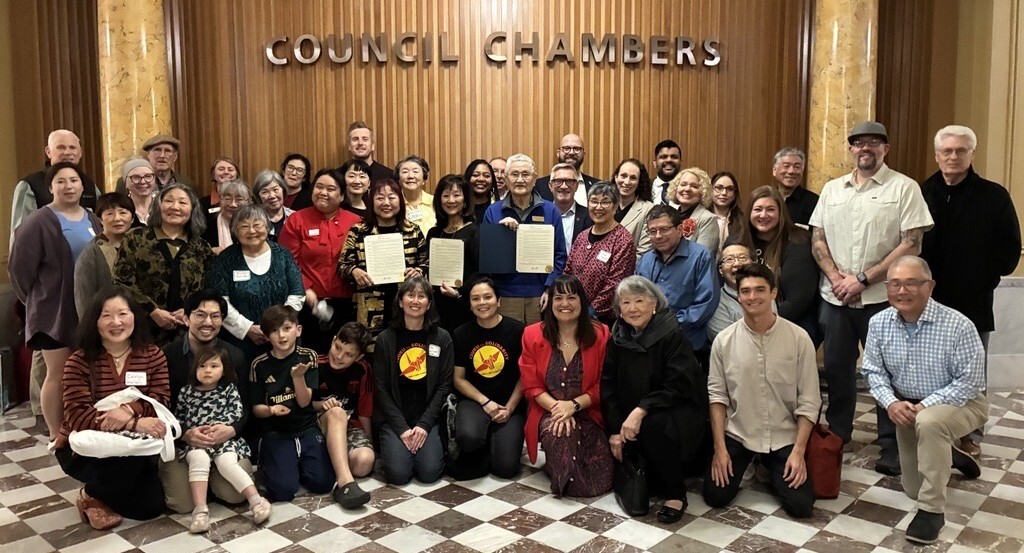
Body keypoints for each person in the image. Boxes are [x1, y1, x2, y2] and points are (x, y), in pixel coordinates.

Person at [809, 121, 934, 476]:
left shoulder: (904, 188)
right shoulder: (833, 189)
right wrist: (837, 278)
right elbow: (818, 238)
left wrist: (863, 279)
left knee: (888, 371)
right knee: (837, 370)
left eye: (874, 142)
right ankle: (838, 434)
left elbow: (912, 242)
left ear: (885, 148)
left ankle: (892, 443)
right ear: (850, 149)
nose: (866, 148)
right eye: (858, 142)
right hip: (835, 298)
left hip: (883, 297)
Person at [861, 256, 988, 544]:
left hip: (964, 403)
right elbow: (873, 371)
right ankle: (950, 455)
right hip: (908, 407)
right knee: (912, 489)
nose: (902, 291)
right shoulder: (879, 323)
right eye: (895, 284)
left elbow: (970, 382)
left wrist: (925, 406)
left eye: (911, 283)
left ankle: (932, 512)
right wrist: (891, 403)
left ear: (929, 286)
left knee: (930, 424)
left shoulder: (958, 325)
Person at [920, 125, 1022, 457]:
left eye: (960, 150)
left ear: (971, 154)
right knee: (931, 367)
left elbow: (1010, 249)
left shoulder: (994, 196)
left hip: (972, 299)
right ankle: (931, 426)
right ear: (937, 155)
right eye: (946, 151)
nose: (953, 156)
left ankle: (967, 435)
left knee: (971, 371)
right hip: (929, 301)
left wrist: (984, 276)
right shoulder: (922, 193)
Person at [703, 263, 820, 518]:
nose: (752, 297)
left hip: (783, 435)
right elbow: (717, 397)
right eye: (745, 291)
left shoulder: (799, 339)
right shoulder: (724, 341)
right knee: (715, 496)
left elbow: (810, 401)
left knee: (801, 507)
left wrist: (799, 452)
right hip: (740, 433)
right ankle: (751, 461)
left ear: (774, 293)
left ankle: (768, 466)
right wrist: (719, 450)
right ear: (738, 295)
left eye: (760, 290)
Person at [54, 287, 170, 529]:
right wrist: (133, 422)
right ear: (94, 321)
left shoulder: (152, 355)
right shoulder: (79, 361)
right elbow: (76, 415)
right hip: (86, 449)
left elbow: (161, 400)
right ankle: (92, 496)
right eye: (106, 315)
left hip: (135, 447)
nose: (116, 322)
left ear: (135, 318)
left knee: (150, 508)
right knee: (125, 473)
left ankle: (101, 492)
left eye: (123, 314)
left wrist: (129, 409)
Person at [602, 276, 708, 522]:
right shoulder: (618, 336)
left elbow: (678, 384)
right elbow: (609, 385)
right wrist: (616, 429)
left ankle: (676, 494)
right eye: (626, 302)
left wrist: (641, 410)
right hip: (633, 415)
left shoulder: (671, 334)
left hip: (674, 410)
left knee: (653, 424)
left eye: (640, 301)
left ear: (654, 304)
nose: (632, 308)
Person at [9, 161, 102, 440]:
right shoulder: (38, 221)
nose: (68, 186)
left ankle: (83, 427)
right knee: (58, 374)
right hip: (54, 312)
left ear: (82, 186)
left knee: (88, 374)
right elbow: (19, 270)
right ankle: (56, 433)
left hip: (87, 309)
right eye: (60, 181)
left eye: (73, 180)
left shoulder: (90, 217)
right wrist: (37, 301)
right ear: (50, 187)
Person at [520, 275, 613, 497]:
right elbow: (531, 386)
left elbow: (604, 383)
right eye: (558, 298)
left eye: (572, 297)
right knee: (560, 434)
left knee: (602, 482)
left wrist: (573, 406)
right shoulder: (532, 334)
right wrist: (558, 409)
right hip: (548, 412)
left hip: (588, 411)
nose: (565, 304)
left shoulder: (601, 334)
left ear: (582, 301)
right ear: (550, 302)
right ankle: (557, 468)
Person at [161, 290, 251, 515]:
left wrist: (231, 429)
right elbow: (159, 408)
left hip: (225, 441)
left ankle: (212, 476)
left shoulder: (234, 356)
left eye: (215, 316)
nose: (208, 322)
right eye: (200, 315)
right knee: (183, 504)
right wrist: (184, 433)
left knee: (236, 495)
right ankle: (202, 479)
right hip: (184, 442)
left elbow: (246, 405)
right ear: (186, 318)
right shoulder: (167, 356)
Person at [176, 346, 271, 533]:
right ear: (195, 369)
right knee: (199, 459)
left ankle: (256, 501)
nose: (207, 370)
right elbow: (179, 418)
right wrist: (191, 433)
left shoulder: (228, 390)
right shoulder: (186, 392)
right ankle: (200, 511)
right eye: (202, 366)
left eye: (214, 366)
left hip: (223, 440)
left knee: (227, 463)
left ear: (224, 370)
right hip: (197, 442)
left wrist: (219, 428)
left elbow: (236, 413)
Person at [373, 276, 453, 485]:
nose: (415, 301)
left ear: (429, 304)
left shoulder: (442, 338)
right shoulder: (385, 339)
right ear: (400, 301)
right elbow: (381, 388)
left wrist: (425, 425)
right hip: (396, 418)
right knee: (398, 475)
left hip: (427, 417)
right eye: (410, 295)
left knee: (429, 473)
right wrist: (402, 429)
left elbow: (444, 385)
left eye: (421, 296)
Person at [250, 305, 334, 501]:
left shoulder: (308, 356)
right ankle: (275, 462)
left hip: (306, 427)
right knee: (282, 492)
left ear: (298, 330)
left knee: (323, 484)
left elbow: (305, 403)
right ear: (266, 335)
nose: (281, 336)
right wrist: (270, 410)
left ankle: (298, 462)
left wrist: (298, 377)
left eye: (287, 328)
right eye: (274, 330)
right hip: (276, 432)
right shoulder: (259, 364)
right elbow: (256, 409)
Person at [115, 183, 215, 344]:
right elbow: (121, 281)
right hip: (141, 328)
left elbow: (208, 288)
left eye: (182, 202)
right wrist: (153, 311)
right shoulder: (136, 237)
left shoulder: (201, 247)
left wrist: (189, 310)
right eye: (169, 201)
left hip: (186, 332)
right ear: (158, 206)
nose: (175, 207)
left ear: (192, 209)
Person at [279, 168, 362, 352]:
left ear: (342, 196)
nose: (323, 192)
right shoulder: (296, 220)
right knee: (311, 354)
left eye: (331, 188)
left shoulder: (356, 222)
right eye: (319, 187)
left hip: (348, 304)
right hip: (308, 303)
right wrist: (304, 288)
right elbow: (286, 262)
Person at [451, 278, 526, 480]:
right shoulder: (460, 333)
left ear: (498, 300)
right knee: (468, 437)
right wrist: (485, 402)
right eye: (476, 299)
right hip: (476, 401)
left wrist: (509, 408)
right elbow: (459, 379)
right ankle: (482, 444)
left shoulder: (518, 330)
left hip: (509, 403)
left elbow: (525, 376)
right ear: (469, 304)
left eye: (488, 297)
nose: (482, 303)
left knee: (506, 469)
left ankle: (496, 443)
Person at [208, 205, 305, 361]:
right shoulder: (226, 259)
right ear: (235, 231)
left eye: (257, 225)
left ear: (267, 227)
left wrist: (278, 327)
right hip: (241, 341)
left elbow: (297, 292)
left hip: (283, 338)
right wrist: (246, 328)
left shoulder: (282, 255)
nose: (251, 231)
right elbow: (220, 301)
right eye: (244, 226)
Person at [482, 153, 567, 324]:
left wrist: (549, 288)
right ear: (506, 179)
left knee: (539, 344)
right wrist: (500, 232)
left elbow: (560, 255)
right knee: (511, 346)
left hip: (540, 295)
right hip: (505, 294)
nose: (520, 179)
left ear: (535, 179)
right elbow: (486, 259)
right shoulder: (493, 211)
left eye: (525, 174)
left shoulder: (550, 211)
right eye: (514, 174)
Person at [341, 178, 429, 338]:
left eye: (392, 197)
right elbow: (343, 265)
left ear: (400, 201)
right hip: (369, 305)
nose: (386, 202)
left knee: (405, 347)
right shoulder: (359, 231)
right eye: (380, 198)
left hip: (406, 303)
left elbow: (426, 264)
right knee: (371, 351)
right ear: (372, 201)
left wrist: (418, 271)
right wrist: (354, 271)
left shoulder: (413, 230)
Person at [635, 204, 718, 365]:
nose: (658, 236)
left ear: (680, 229)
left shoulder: (700, 256)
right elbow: (637, 297)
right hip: (650, 344)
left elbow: (706, 303)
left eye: (664, 229)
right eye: (653, 231)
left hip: (687, 345)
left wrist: (668, 324)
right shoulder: (646, 260)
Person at [744, 185, 821, 344]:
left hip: (793, 321)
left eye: (770, 210)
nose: (763, 215)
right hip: (749, 317)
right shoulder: (741, 239)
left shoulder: (798, 242)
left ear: (781, 213)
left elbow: (798, 300)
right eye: (758, 209)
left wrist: (762, 324)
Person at [312, 323, 375, 508]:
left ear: (359, 357)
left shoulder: (363, 369)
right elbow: (302, 403)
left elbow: (364, 410)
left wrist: (368, 441)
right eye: (337, 347)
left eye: (348, 354)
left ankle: (335, 462)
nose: (339, 356)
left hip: (350, 425)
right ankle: (345, 483)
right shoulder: (315, 363)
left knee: (364, 462)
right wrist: (322, 405)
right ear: (333, 340)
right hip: (318, 423)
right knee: (337, 412)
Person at [10, 129, 100, 245]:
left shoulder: (89, 185)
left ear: (80, 152)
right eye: (61, 147)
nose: (67, 152)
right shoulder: (30, 185)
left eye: (72, 148)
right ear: (48, 152)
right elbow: (20, 236)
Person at [566, 182, 636, 326]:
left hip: (603, 319)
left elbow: (615, 283)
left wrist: (589, 311)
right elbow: (568, 270)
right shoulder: (582, 236)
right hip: (574, 311)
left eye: (605, 202)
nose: (598, 207)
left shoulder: (622, 239)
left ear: (615, 206)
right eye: (594, 201)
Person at [426, 174, 479, 333]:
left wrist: (458, 292)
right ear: (439, 200)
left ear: (465, 201)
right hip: (435, 304)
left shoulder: (475, 231)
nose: (451, 200)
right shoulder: (433, 233)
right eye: (446, 195)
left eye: (457, 195)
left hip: (462, 303)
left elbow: (480, 271)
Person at [74, 193, 135, 317]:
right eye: (110, 213)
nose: (117, 218)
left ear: (132, 218)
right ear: (100, 219)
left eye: (123, 212)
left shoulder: (140, 246)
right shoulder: (90, 254)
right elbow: (84, 301)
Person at [708, 242, 758, 341]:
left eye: (743, 258)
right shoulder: (716, 302)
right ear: (721, 270)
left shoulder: (765, 295)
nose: (737, 264)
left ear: (754, 264)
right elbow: (726, 342)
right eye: (729, 259)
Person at [667, 167, 720, 254]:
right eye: (683, 184)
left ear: (703, 192)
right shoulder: (669, 216)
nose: (687, 189)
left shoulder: (708, 219)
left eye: (694, 186)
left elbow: (702, 258)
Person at [116, 134, 191, 193]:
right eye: (157, 150)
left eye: (167, 151)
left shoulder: (187, 184)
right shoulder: (126, 181)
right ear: (148, 154)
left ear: (175, 157)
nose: (162, 155)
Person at [536, 134, 598, 203]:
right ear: (558, 153)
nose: (571, 152)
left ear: (583, 154)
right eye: (566, 148)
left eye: (577, 149)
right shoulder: (538, 186)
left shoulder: (597, 186)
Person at [548, 163, 593, 256]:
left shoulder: (590, 216)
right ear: (550, 186)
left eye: (569, 181)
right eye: (558, 181)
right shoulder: (540, 214)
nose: (564, 186)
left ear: (576, 186)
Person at [613, 158, 654, 258]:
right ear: (616, 177)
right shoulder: (605, 205)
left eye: (633, 178)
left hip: (630, 271)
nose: (627, 182)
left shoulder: (648, 209)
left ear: (639, 182)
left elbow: (643, 253)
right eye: (623, 176)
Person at [771, 147, 818, 227]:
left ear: (802, 171)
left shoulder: (814, 202)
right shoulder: (766, 199)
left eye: (797, 167)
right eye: (786, 166)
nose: (791, 171)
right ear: (774, 170)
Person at [203, 179, 251, 254]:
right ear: (220, 200)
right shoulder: (207, 224)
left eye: (239, 200)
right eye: (228, 199)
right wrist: (210, 252)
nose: (233, 204)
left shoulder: (253, 225)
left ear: (247, 202)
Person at [396, 155, 436, 234]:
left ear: (424, 179)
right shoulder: (393, 205)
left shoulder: (436, 202)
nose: (410, 176)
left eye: (415, 171)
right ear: (398, 180)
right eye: (405, 172)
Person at [252, 169, 294, 241]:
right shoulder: (252, 220)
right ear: (259, 197)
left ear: (283, 191)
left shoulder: (295, 217)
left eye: (275, 190)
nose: (272, 196)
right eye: (265, 192)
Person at [707, 172, 744, 251]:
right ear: (711, 190)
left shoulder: (743, 220)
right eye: (719, 188)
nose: (724, 193)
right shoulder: (701, 217)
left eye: (730, 189)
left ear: (734, 194)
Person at [121, 158, 158, 228]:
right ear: (125, 182)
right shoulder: (120, 208)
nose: (143, 181)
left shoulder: (163, 205)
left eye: (148, 176)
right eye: (136, 177)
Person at [651, 139, 682, 205]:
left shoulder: (686, 190)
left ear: (680, 162)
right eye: (663, 157)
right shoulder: (644, 188)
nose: (669, 160)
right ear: (654, 163)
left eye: (674, 157)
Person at [465, 159, 497, 223]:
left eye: (486, 176)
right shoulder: (460, 208)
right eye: (475, 175)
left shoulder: (498, 209)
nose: (481, 179)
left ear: (493, 181)